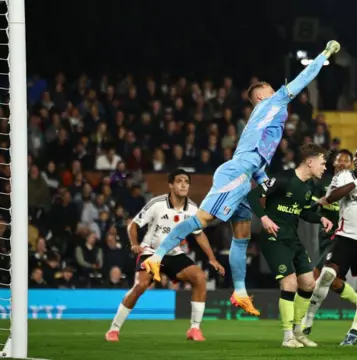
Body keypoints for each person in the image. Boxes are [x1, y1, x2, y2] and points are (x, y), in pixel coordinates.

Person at [141, 41, 341, 316]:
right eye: (271, 90)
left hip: (248, 173)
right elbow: (302, 79)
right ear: (262, 97)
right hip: (236, 173)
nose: (277, 91)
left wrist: (274, 187)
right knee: (203, 220)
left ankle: (240, 292)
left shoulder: (263, 121)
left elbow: (259, 165)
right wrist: (324, 55)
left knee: (242, 235)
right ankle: (156, 257)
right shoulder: (271, 104)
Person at [105, 169, 225, 342]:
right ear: (171, 185)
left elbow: (199, 234)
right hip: (151, 253)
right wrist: (134, 244)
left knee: (199, 277)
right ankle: (114, 329)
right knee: (141, 285)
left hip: (174, 254)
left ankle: (194, 329)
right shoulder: (157, 204)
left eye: (186, 181)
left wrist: (212, 258)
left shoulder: (192, 209)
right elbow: (133, 224)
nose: (184, 184)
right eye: (179, 181)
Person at [246, 143, 333, 348]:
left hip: (292, 239)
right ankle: (287, 337)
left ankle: (298, 332)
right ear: (309, 162)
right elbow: (252, 196)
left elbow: (303, 212)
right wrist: (264, 218)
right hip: (273, 237)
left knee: (309, 284)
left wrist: (320, 219)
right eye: (322, 163)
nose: (324, 167)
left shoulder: (308, 187)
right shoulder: (283, 178)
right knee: (290, 284)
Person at [301, 146, 357, 344]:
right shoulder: (344, 176)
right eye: (356, 156)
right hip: (345, 236)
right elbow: (331, 197)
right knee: (326, 275)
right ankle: (308, 318)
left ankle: (356, 329)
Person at [310, 149, 357, 307]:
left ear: (351, 164)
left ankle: (301, 319)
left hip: (341, 235)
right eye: (340, 160)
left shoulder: (356, 184)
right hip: (324, 234)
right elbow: (312, 201)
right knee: (334, 282)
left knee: (316, 275)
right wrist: (318, 202)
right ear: (334, 163)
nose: (342, 163)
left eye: (346, 160)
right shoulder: (323, 182)